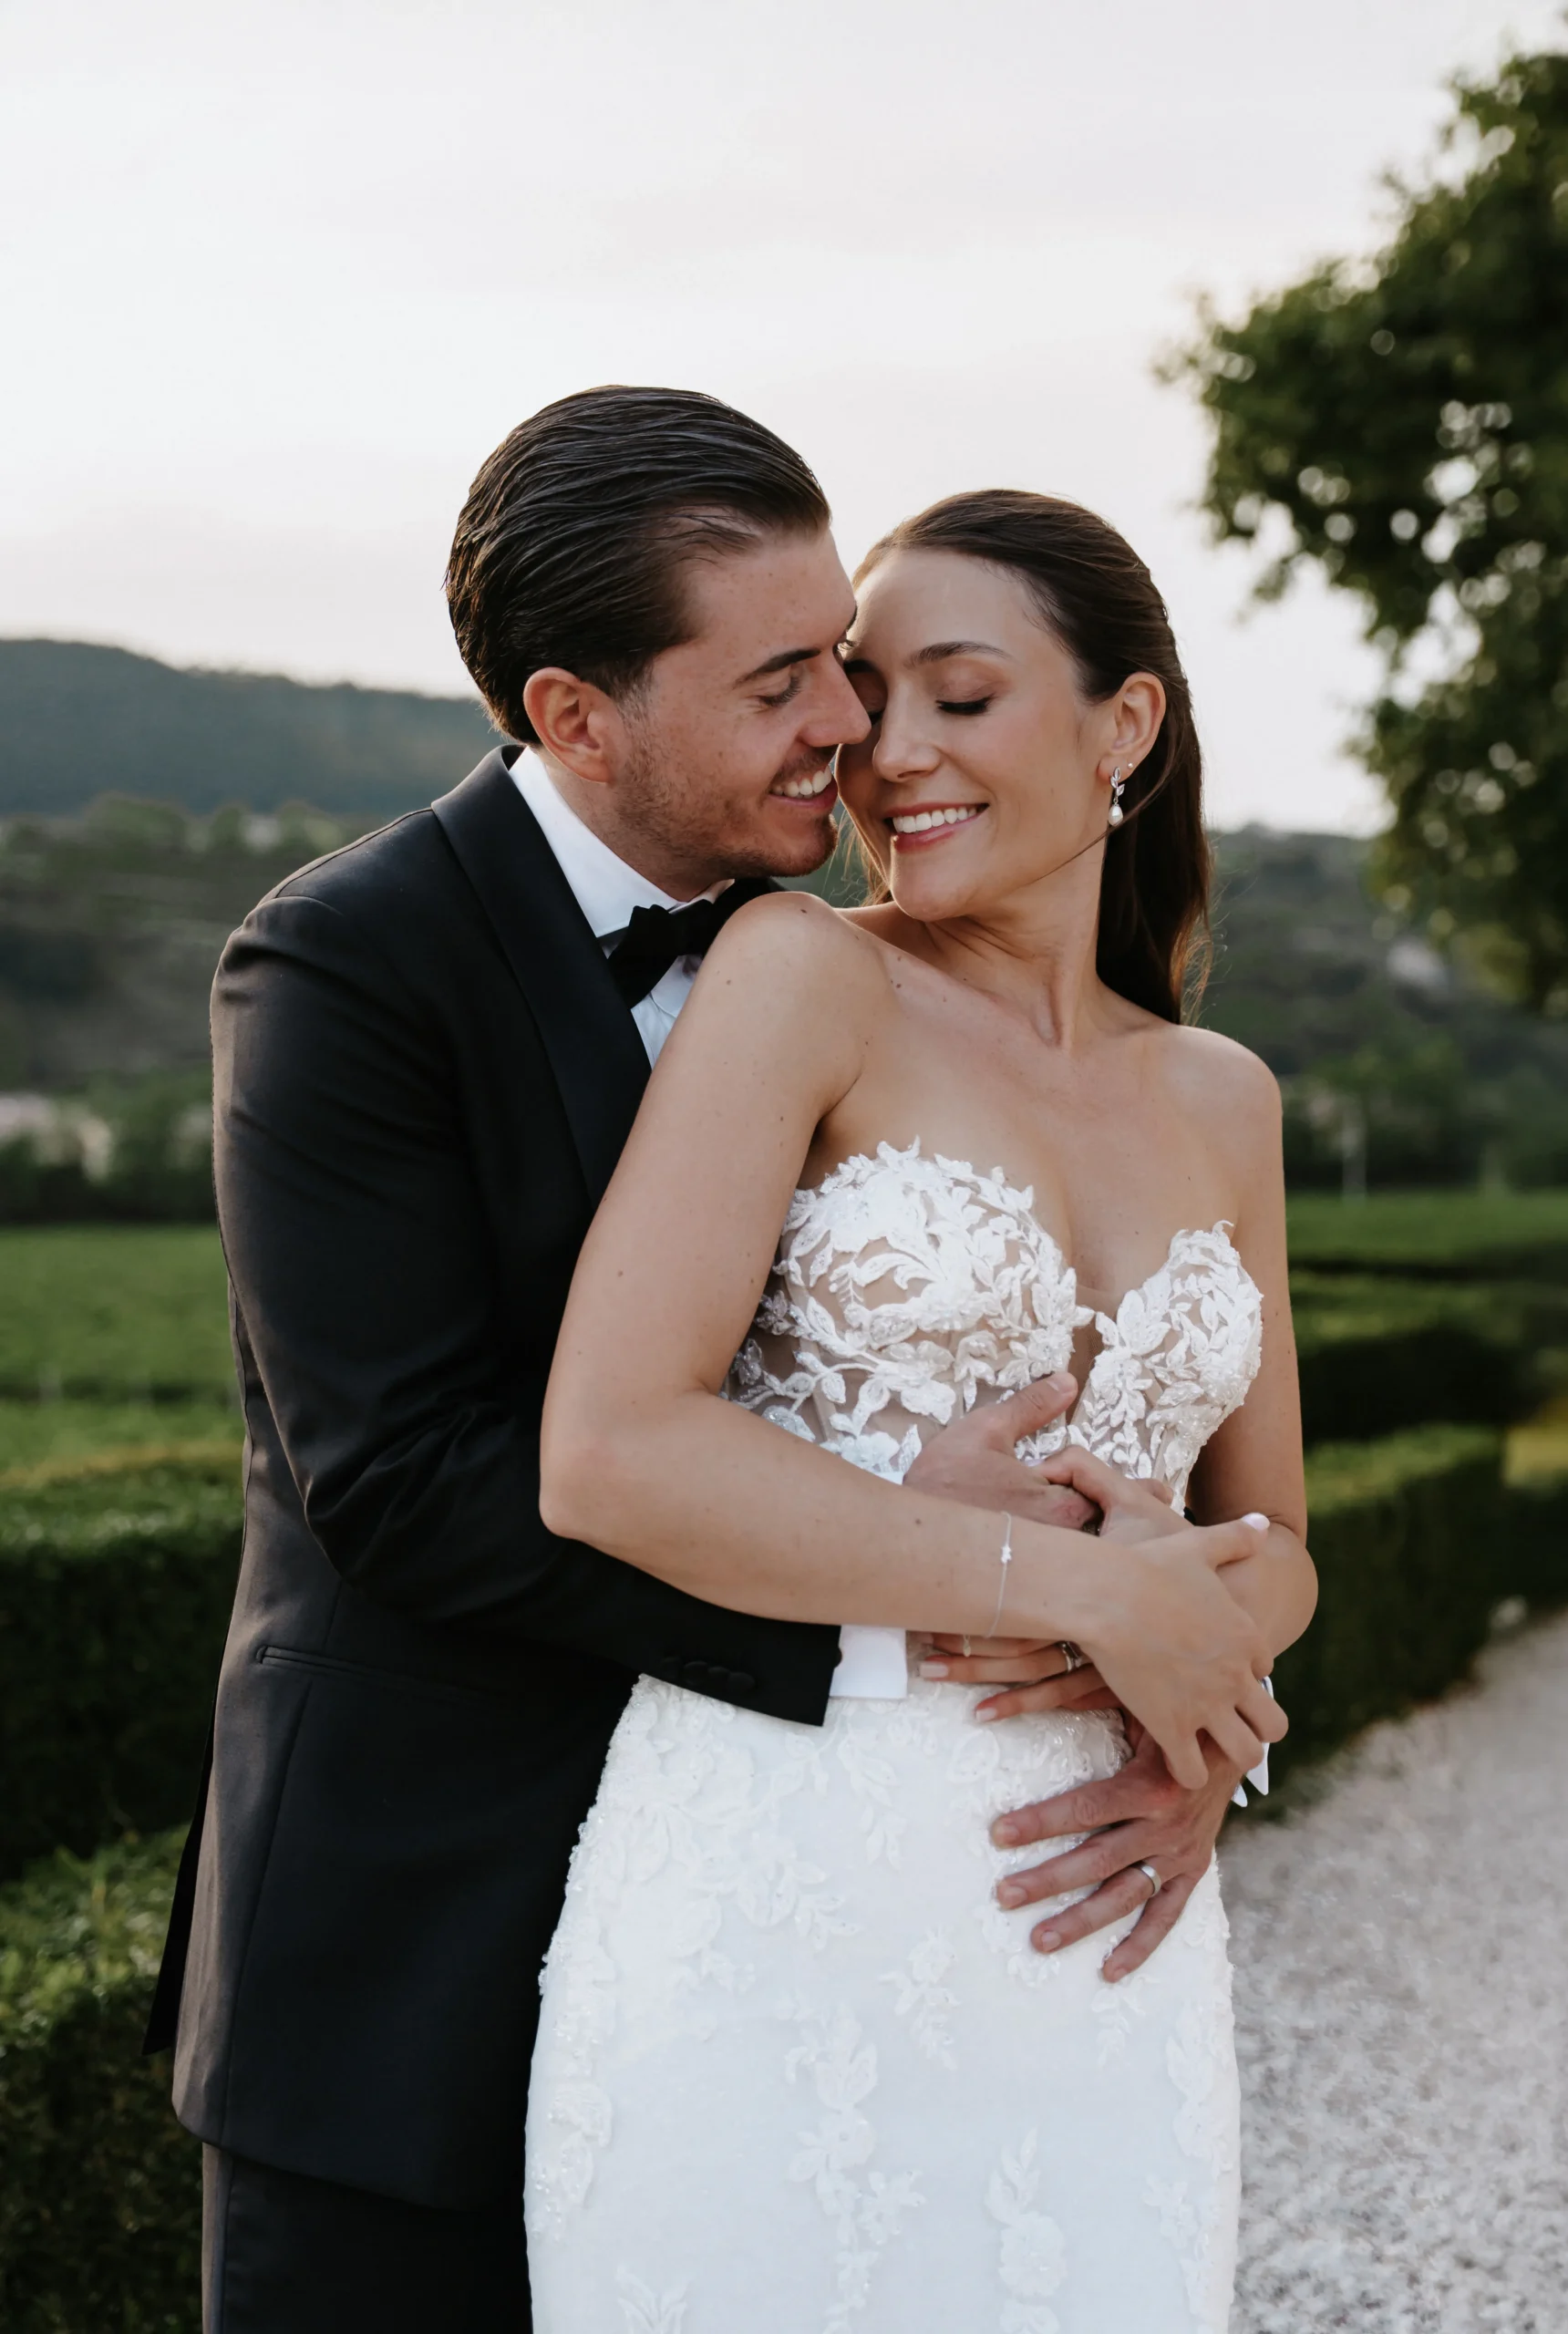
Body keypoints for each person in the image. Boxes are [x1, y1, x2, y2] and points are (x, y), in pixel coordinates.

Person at [144, 390, 1245, 2334]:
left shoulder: (826, 954)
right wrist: (928, 1575)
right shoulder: (342, 964)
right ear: (577, 716)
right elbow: (401, 1483)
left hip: (811, 1901)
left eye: (846, 657)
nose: (850, 724)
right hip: (415, 1935)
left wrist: (1167, 1705)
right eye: (781, 682)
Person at [527, 488, 1315, 2330]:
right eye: (867, 699)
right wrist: (1095, 1591)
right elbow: (610, 1448)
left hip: (1110, 1934)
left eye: (959, 697)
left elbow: (1274, 1538)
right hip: (781, 1890)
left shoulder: (1227, 1095)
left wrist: (1207, 1712)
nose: (885, 756)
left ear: (1125, 726)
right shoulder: (803, 973)